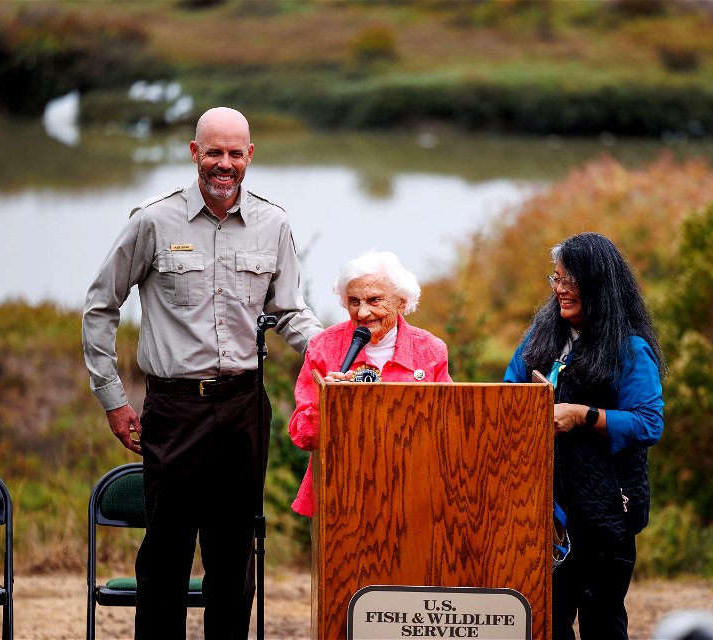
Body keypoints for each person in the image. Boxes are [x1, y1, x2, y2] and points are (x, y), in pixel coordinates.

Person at [81, 106, 323, 639]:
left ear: (250, 156)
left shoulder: (274, 222)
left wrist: (337, 357)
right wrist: (113, 399)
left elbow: (289, 312)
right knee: (167, 551)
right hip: (173, 408)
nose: (224, 163)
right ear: (194, 152)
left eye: (235, 153)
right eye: (214, 151)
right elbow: (101, 306)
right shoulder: (151, 220)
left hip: (243, 407)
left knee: (234, 554)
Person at [503, 232, 665, 640]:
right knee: (546, 622)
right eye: (556, 278)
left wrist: (583, 415)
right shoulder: (541, 337)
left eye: (569, 280)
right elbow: (507, 393)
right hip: (542, 511)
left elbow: (649, 424)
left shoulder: (629, 349)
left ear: (598, 284)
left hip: (605, 515)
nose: (560, 289)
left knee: (602, 622)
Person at [288, 250, 453, 517]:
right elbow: (301, 434)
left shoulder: (430, 350)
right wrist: (326, 402)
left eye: (374, 300)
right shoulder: (323, 347)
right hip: (341, 493)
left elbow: (448, 426)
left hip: (414, 491)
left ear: (401, 302)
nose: (363, 312)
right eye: (354, 301)